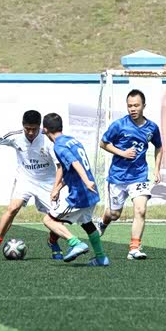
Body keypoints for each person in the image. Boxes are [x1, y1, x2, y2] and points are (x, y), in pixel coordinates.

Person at [0, 110, 64, 260]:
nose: (31, 132)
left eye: (34, 129)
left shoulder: (48, 140)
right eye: (27, 129)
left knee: (58, 217)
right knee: (12, 208)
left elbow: (60, 167)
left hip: (47, 181)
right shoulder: (15, 136)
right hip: (25, 179)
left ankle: (52, 241)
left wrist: (56, 188)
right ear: (22, 126)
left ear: (40, 127)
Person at [95, 89, 162, 260]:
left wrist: (156, 169)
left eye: (136, 105)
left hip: (139, 176)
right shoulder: (119, 125)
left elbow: (159, 147)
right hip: (118, 176)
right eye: (130, 106)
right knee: (114, 214)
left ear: (144, 106)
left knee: (140, 210)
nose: (133, 109)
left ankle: (134, 248)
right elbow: (103, 143)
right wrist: (122, 153)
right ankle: (103, 222)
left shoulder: (152, 128)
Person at [41, 112, 109, 266]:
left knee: (48, 220)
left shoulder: (59, 146)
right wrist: (58, 188)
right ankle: (101, 258)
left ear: (45, 130)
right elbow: (70, 171)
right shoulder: (72, 141)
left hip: (80, 194)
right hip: (91, 194)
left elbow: (75, 163)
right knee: (87, 224)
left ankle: (75, 243)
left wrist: (86, 181)